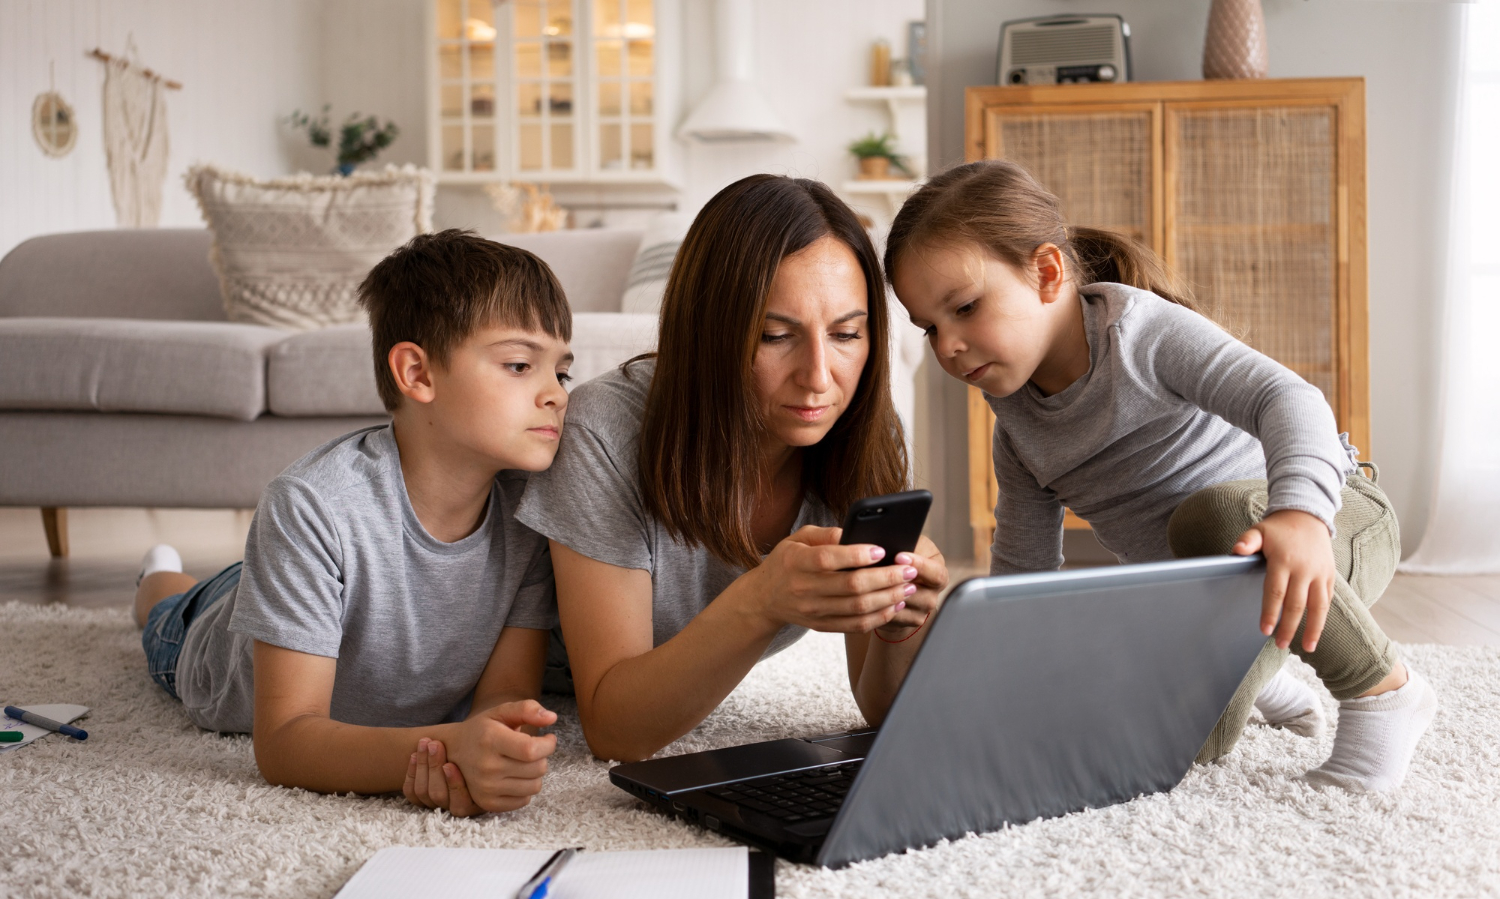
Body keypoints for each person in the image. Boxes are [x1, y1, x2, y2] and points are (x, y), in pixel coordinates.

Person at [885, 160, 1437, 792]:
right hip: (1220, 592)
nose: (948, 345)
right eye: (930, 328)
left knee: (1217, 517)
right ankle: (1264, 674)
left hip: (1339, 523)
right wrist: (998, 686)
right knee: (1152, 744)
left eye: (964, 308)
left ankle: (1386, 693)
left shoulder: (1141, 333)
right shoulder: (1017, 432)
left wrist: (1302, 515)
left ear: (1045, 272)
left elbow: (1291, 400)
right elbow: (1023, 576)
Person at [447, 175, 947, 766]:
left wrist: (898, 625)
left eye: (845, 334)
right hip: (507, 681)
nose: (818, 375)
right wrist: (761, 599)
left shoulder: (866, 430)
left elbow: (879, 709)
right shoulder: (606, 430)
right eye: (774, 335)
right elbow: (613, 729)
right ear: (710, 331)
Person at [131, 229, 567, 815]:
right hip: (215, 636)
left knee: (266, 577)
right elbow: (285, 742)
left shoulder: (532, 513)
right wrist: (441, 748)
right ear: (417, 373)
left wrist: (487, 750)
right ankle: (155, 574)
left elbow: (505, 700)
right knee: (168, 608)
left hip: (316, 579)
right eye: (519, 364)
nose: (556, 395)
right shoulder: (309, 504)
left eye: (561, 372)